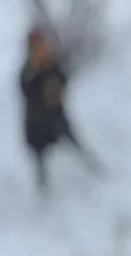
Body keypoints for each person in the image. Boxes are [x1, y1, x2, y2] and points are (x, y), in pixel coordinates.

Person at [19, 27, 101, 194]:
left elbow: (63, 80)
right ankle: (43, 189)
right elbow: (27, 93)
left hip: (57, 119)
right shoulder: (28, 71)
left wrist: (56, 87)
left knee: (75, 143)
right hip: (37, 125)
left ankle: (93, 168)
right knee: (40, 158)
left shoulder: (52, 64)